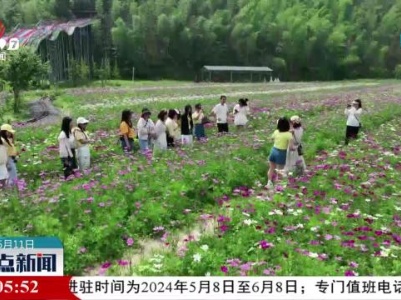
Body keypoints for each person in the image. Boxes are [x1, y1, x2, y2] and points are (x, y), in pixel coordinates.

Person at [266, 117, 294, 189]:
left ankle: (269, 182)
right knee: (280, 170)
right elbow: (290, 147)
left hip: (273, 150)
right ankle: (278, 186)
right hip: (281, 153)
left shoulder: (276, 131)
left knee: (271, 168)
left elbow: (271, 138)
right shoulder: (289, 135)